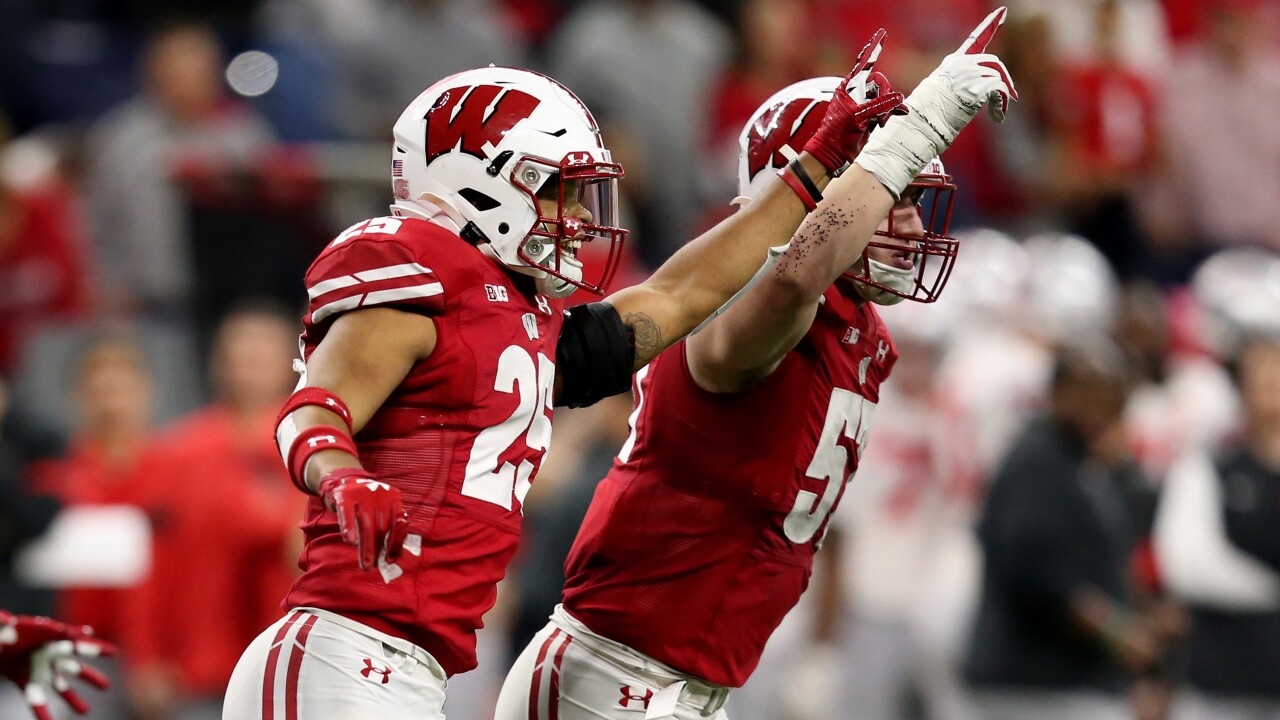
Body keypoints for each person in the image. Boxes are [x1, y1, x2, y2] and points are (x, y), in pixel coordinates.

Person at [223, 13, 1015, 716]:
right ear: (480, 178)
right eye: (559, 191)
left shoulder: (519, 321)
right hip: (341, 650)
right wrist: (339, 475)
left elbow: (681, 294)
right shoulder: (416, 270)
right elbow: (314, 408)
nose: (575, 218)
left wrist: (808, 173)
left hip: (410, 667)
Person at [493, 10, 1016, 720]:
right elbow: (795, 274)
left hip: (683, 685)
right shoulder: (751, 303)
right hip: (613, 673)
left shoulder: (857, 332)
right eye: (892, 197)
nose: (911, 224)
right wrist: (913, 131)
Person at [963, 340, 1169, 720]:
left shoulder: (1094, 464)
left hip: (1074, 683)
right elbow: (1030, 570)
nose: (1098, 409)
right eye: (1087, 394)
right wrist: (1113, 629)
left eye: (1109, 397)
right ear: (1058, 393)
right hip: (1030, 682)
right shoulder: (1038, 457)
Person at [0, 610, 113, 720]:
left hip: (53, 658)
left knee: (66, 658)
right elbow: (13, 672)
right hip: (32, 676)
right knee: (36, 694)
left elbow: (52, 629)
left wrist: (72, 633)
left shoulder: (24, 628)